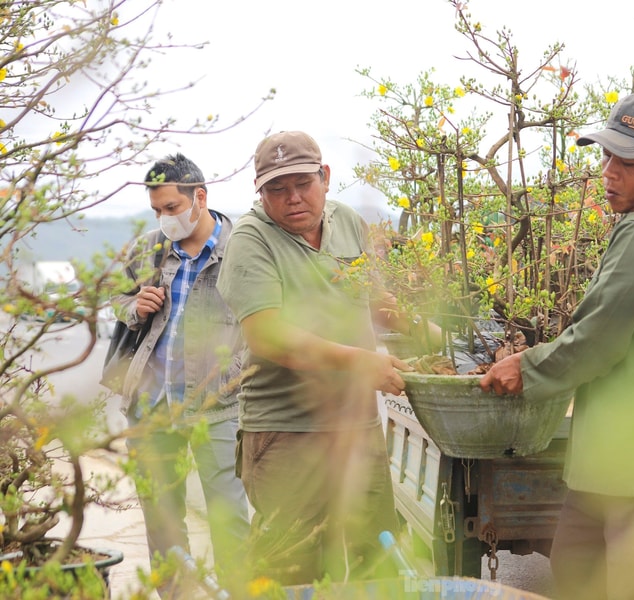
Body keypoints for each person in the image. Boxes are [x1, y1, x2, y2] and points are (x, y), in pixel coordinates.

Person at [479, 91, 634, 600]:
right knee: (577, 569)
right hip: (625, 458)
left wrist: (524, 367)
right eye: (607, 155)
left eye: (628, 161)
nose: (609, 171)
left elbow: (596, 340)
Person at [216, 130, 439, 585]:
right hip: (285, 434)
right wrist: (361, 362)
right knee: (292, 570)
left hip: (357, 429)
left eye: (302, 183)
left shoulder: (348, 222)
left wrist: (429, 330)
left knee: (375, 561)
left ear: (326, 177)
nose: (292, 198)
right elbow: (267, 335)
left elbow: (374, 297)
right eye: (276, 189)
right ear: (260, 193)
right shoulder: (250, 239)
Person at [113, 153, 249, 586]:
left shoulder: (241, 250)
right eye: (156, 210)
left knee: (229, 516)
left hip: (218, 404)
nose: (164, 219)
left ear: (199, 197)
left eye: (171, 208)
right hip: (151, 404)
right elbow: (116, 300)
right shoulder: (148, 247)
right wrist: (134, 307)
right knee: (163, 523)